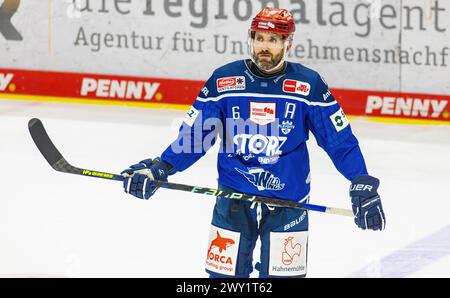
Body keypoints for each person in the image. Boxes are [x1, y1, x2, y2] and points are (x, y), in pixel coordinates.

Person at [121, 7, 385, 278]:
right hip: (233, 197)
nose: (264, 47)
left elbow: (338, 140)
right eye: (259, 39)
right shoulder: (223, 81)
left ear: (287, 43)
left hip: (288, 202)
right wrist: (162, 166)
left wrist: (360, 179)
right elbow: (196, 136)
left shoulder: (308, 85)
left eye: (273, 40)